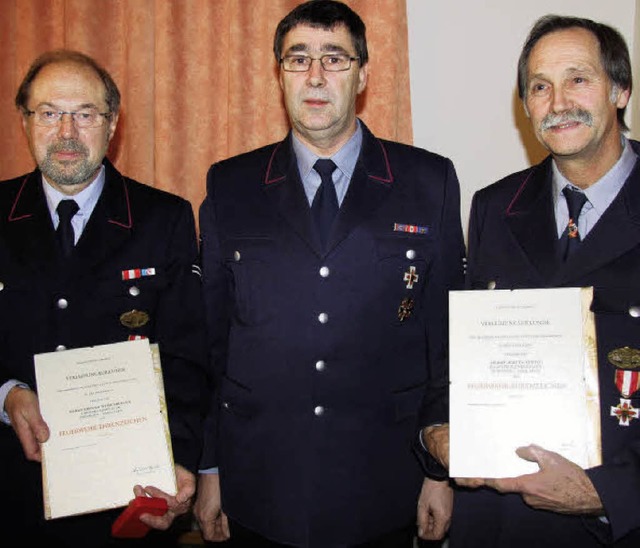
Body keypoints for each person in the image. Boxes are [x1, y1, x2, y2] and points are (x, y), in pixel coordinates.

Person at [194, 1, 465, 546]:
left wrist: (439, 474)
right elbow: (210, 346)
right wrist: (209, 468)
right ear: (279, 75)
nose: (315, 76)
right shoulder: (231, 185)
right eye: (298, 59)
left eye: (334, 58)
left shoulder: (427, 181)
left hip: (383, 480)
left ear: (363, 75)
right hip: (260, 482)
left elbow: (447, 338)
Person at [421, 14, 640, 548]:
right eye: (540, 86)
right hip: (498, 520)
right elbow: (461, 346)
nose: (558, 101)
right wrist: (435, 436)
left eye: (578, 79)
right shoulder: (496, 205)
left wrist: (612, 495)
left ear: (621, 91)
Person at [0, 49, 207, 546]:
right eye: (49, 113)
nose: (67, 132)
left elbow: (188, 358)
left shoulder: (164, 219)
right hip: (10, 499)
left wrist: (174, 460)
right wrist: (7, 394)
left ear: (112, 124)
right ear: (25, 122)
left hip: (124, 504)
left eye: (85, 114)